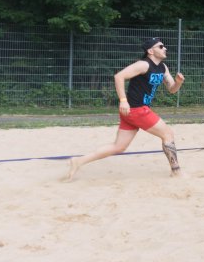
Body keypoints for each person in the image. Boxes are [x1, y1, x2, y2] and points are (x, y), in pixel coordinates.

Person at [63, 37, 185, 182]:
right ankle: (176, 171)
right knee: (168, 134)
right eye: (160, 46)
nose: (165, 48)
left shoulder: (163, 67)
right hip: (137, 109)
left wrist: (178, 82)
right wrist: (123, 100)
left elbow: (172, 89)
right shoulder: (143, 64)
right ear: (150, 51)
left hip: (131, 112)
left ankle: (78, 161)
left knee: (118, 147)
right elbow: (119, 77)